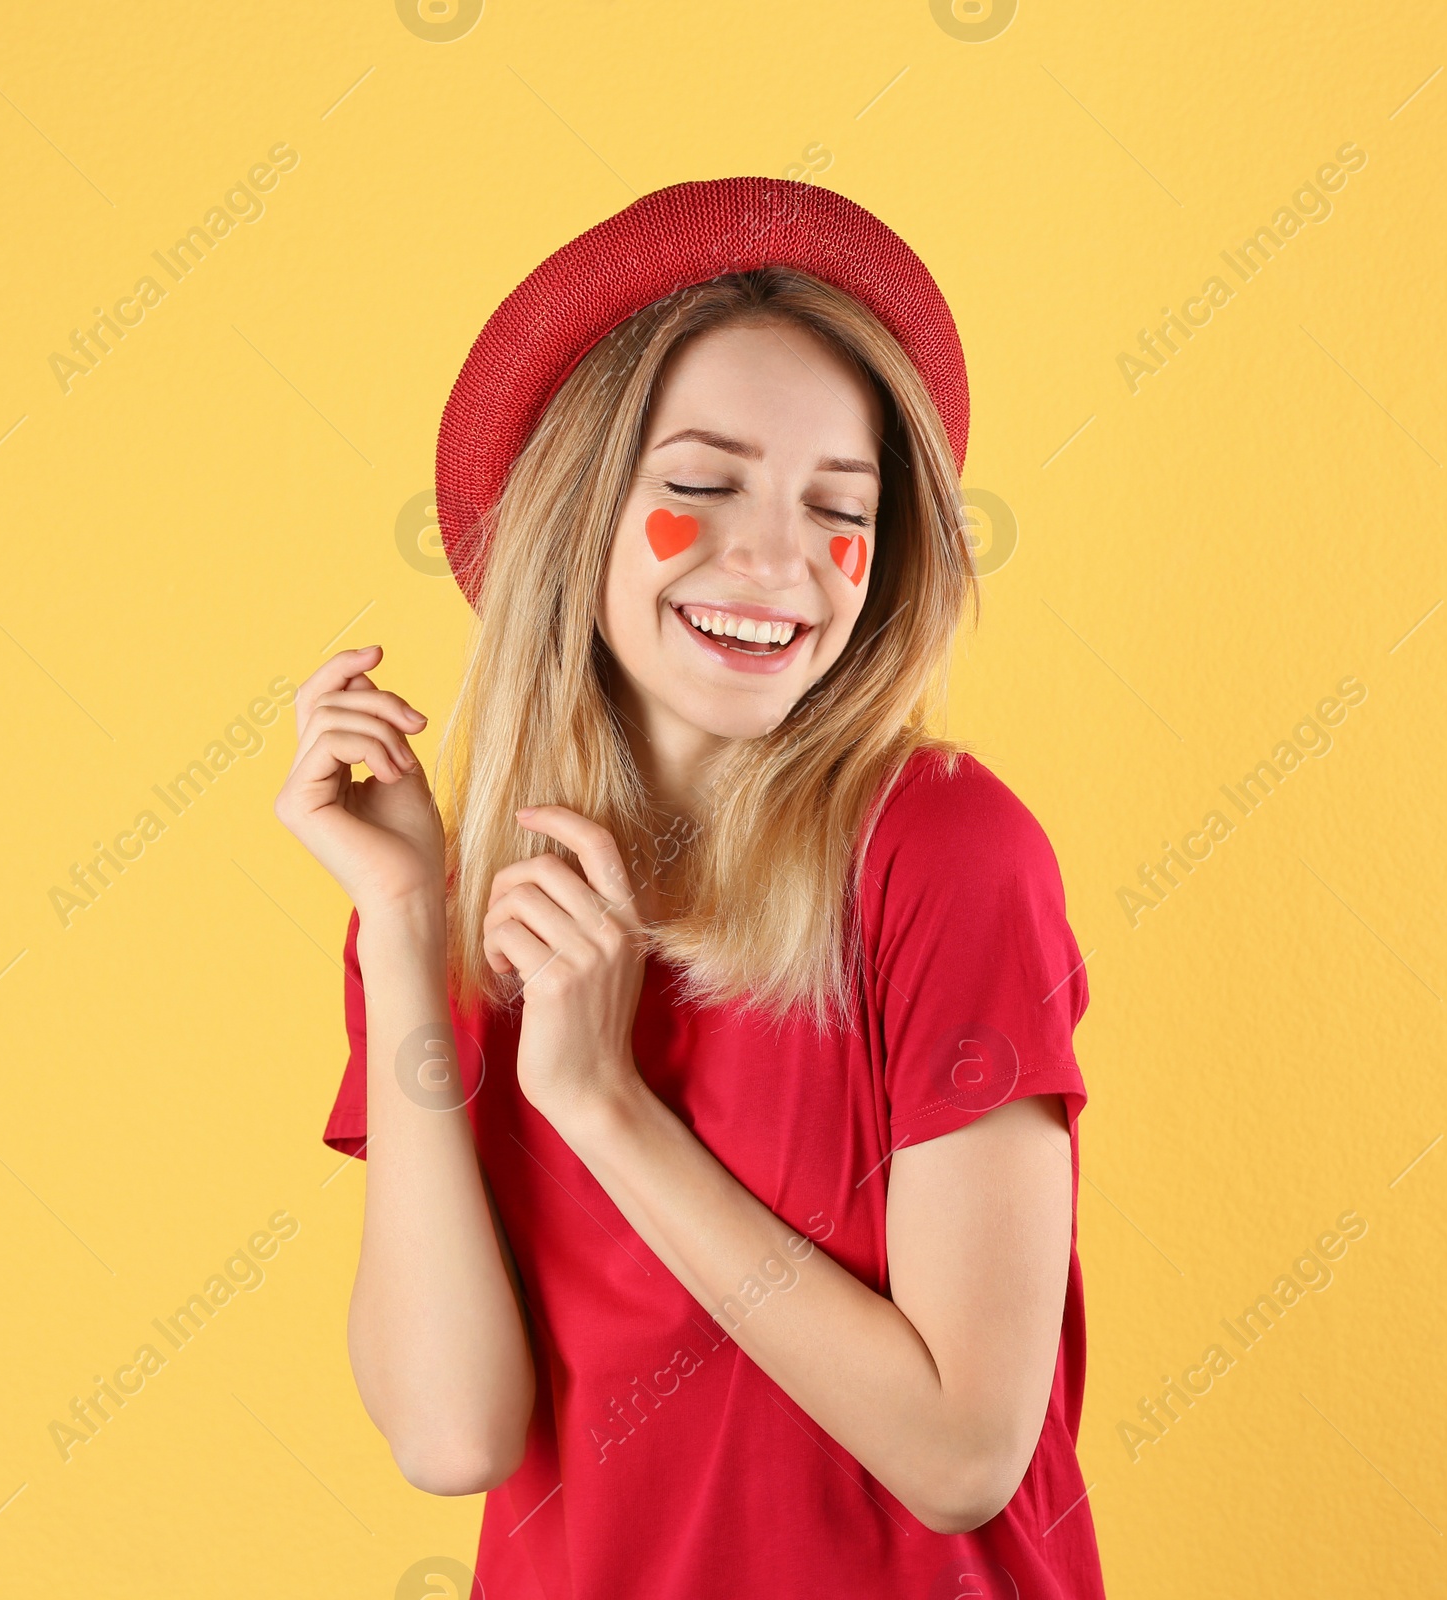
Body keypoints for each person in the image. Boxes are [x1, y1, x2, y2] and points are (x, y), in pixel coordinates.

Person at [275, 177, 1105, 1600]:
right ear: (575, 509)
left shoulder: (949, 854)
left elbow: (963, 1448)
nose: (778, 562)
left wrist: (601, 1102)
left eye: (839, 509)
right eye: (703, 487)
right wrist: (408, 933)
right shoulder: (468, 901)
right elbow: (450, 1431)